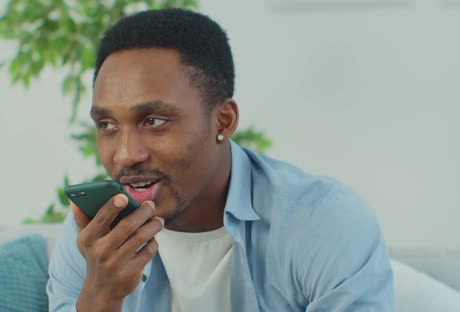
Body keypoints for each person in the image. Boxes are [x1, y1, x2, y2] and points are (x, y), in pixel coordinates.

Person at [47, 8, 394, 312]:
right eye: (107, 125)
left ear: (223, 121)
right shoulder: (93, 242)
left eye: (153, 121)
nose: (125, 154)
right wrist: (100, 301)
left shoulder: (321, 223)